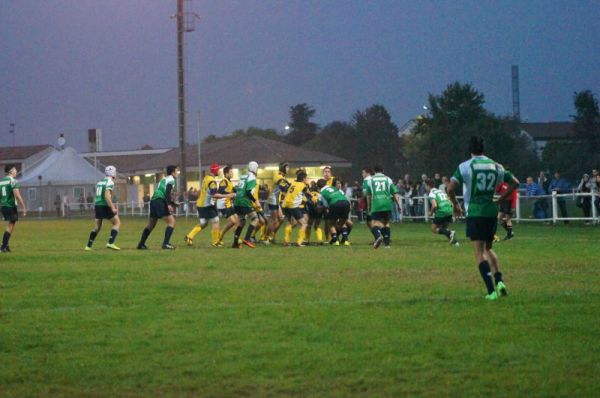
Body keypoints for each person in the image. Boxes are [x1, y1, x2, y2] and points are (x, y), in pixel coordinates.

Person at [447, 135, 519, 300]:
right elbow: (515, 182)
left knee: (479, 253)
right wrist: (501, 198)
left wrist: (456, 205)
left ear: (470, 149)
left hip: (475, 212)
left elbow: (450, 188)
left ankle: (491, 291)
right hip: (491, 212)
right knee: (488, 248)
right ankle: (499, 281)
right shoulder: (496, 165)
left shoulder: (465, 166)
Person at [184, 163, 235, 247]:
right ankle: (215, 241)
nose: (219, 171)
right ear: (215, 171)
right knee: (215, 220)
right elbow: (214, 194)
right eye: (218, 170)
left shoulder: (206, 178)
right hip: (206, 205)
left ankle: (189, 236)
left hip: (201, 204)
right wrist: (227, 195)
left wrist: (197, 194)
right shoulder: (212, 181)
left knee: (204, 223)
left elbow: (202, 189)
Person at [137, 165, 179, 250]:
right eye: (176, 171)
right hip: (160, 200)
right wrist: (169, 205)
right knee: (172, 222)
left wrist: (172, 203)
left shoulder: (164, 179)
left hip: (153, 200)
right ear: (172, 172)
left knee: (151, 224)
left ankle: (141, 244)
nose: (177, 173)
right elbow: (167, 192)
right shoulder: (172, 180)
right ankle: (166, 244)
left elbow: (163, 191)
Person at [85, 165, 121, 251]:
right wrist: (112, 207)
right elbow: (107, 197)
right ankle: (110, 242)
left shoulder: (100, 182)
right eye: (115, 172)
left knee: (97, 227)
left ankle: (88, 246)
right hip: (104, 205)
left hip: (97, 205)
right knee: (117, 223)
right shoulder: (110, 182)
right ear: (112, 173)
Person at [365, 165, 402, 249]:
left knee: (375, 223)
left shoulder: (371, 180)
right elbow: (395, 193)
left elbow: (368, 196)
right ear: (383, 170)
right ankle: (387, 244)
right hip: (387, 203)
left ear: (374, 171)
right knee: (386, 223)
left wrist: (369, 207)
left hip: (376, 204)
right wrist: (398, 205)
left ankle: (378, 236)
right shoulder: (388, 179)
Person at [231, 161, 261, 248]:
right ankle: (247, 239)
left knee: (242, 221)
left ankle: (235, 243)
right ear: (255, 168)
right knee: (255, 219)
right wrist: (256, 201)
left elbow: (237, 188)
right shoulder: (252, 177)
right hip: (244, 201)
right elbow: (248, 192)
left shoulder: (243, 176)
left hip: (237, 201)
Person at [317, 178, 352, 245]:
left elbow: (325, 205)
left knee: (330, 223)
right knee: (342, 222)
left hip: (335, 204)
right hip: (346, 203)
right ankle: (346, 241)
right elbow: (342, 194)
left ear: (319, 187)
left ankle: (335, 240)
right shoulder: (334, 188)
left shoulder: (321, 193)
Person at [1, 165, 27, 252]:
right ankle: (3, 247)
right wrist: (23, 207)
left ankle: (6, 245)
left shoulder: (1, 181)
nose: (16, 171)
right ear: (11, 171)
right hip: (11, 206)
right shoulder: (13, 181)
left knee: (11, 225)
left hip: (3, 206)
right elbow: (17, 195)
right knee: (10, 226)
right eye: (15, 170)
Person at [425, 178, 458, 246]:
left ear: (428, 186)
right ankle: (455, 243)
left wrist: (430, 213)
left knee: (434, 229)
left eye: (426, 186)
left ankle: (450, 233)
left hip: (442, 211)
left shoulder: (431, 193)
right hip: (449, 209)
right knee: (444, 229)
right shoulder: (440, 191)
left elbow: (434, 206)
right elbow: (448, 199)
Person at [282, 170, 311, 247]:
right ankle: (299, 242)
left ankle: (286, 241)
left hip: (285, 206)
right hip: (293, 206)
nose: (307, 180)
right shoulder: (303, 186)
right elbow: (308, 195)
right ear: (304, 179)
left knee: (293, 223)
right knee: (304, 224)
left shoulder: (293, 183)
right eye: (306, 178)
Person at [266, 162, 291, 243]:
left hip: (275, 199)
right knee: (274, 220)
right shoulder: (278, 174)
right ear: (283, 168)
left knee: (281, 219)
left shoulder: (282, 176)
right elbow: (283, 187)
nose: (288, 169)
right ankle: (266, 238)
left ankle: (271, 236)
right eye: (287, 167)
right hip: (272, 199)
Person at [216, 165, 239, 244]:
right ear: (226, 174)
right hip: (223, 204)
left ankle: (224, 236)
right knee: (233, 221)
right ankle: (222, 237)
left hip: (228, 204)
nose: (232, 173)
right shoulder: (224, 181)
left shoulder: (229, 181)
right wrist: (231, 194)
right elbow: (220, 191)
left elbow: (234, 191)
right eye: (231, 172)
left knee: (237, 220)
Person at [496, 171, 518, 240]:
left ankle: (509, 236)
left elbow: (514, 196)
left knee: (508, 219)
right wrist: (499, 184)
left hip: (509, 202)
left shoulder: (512, 185)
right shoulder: (503, 183)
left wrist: (513, 206)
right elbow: (498, 190)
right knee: (499, 218)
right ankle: (510, 232)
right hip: (503, 202)